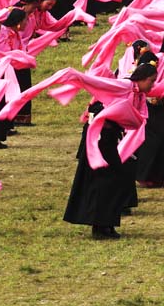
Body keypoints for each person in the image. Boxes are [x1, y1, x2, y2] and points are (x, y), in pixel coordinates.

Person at [64, 61, 157, 240]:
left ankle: (106, 224)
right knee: (105, 182)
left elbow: (139, 118)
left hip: (111, 139)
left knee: (113, 181)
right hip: (101, 139)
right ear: (143, 79)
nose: (153, 85)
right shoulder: (123, 85)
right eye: (151, 81)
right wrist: (78, 76)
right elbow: (99, 84)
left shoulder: (139, 96)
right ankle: (101, 226)